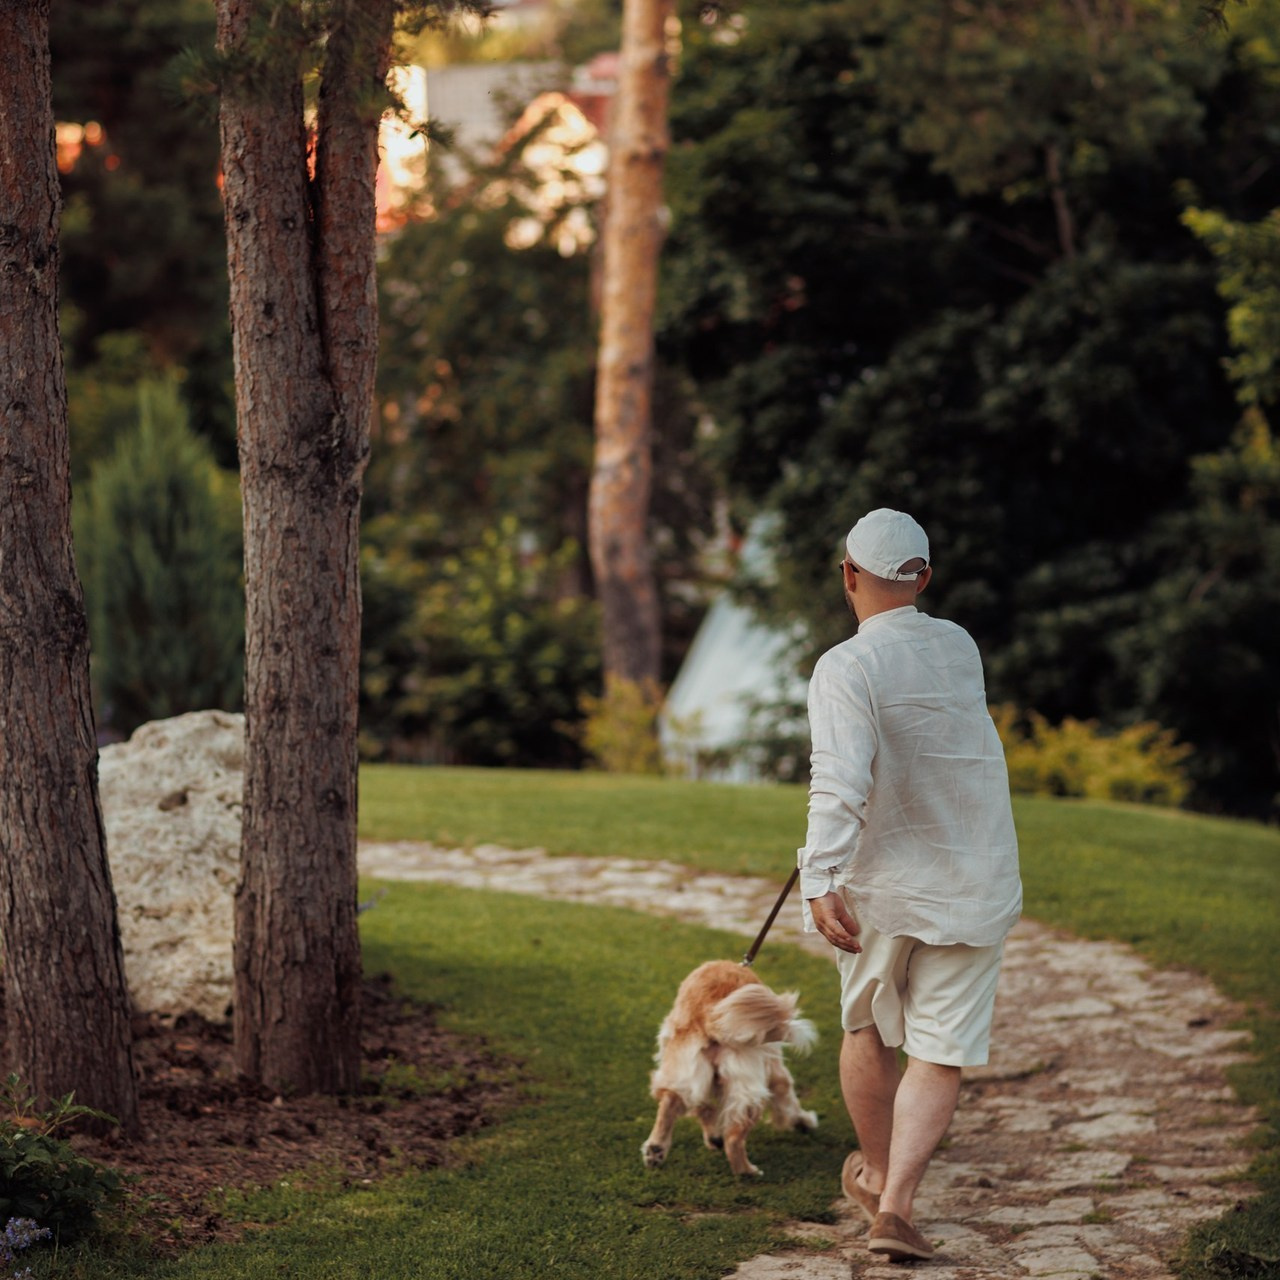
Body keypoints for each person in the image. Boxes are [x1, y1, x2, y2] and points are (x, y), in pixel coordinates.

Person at [798, 508, 1021, 1263]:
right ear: (924, 577)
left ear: (848, 574)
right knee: (939, 1050)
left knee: (866, 1026)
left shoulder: (844, 666)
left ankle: (874, 1176)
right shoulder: (959, 645)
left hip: (881, 883)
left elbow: (840, 778)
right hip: (971, 876)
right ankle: (895, 1206)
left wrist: (819, 876)